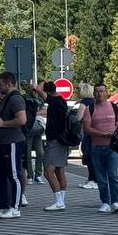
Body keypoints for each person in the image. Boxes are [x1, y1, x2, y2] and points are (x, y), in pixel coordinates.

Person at [0, 72, 27, 219]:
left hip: (12, 142)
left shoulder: (15, 99)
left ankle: (15, 208)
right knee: (1, 175)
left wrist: (2, 123)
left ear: (8, 84)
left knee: (14, 175)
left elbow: (22, 120)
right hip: (4, 143)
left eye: (1, 84)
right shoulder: (7, 99)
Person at [81, 84, 118, 214]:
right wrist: (102, 134)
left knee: (113, 174)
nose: (99, 94)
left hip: (112, 147)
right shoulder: (90, 108)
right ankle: (105, 202)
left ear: (107, 92)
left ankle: (115, 202)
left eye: (102, 91)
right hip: (96, 147)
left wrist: (116, 131)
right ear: (94, 94)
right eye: (97, 91)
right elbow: (86, 128)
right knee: (101, 177)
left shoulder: (114, 107)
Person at [41, 81, 71, 211]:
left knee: (48, 171)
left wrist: (40, 85)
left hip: (54, 140)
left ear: (47, 92)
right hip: (62, 140)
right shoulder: (62, 101)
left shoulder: (53, 101)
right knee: (59, 170)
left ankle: (59, 201)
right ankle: (61, 200)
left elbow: (38, 90)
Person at [24, 84, 46, 184]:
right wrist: (37, 113)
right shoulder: (26, 98)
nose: (35, 91)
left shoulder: (40, 99)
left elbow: (44, 111)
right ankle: (30, 175)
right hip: (28, 128)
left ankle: (38, 174)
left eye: (36, 89)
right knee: (28, 153)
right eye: (33, 89)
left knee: (40, 152)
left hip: (37, 128)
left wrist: (35, 113)